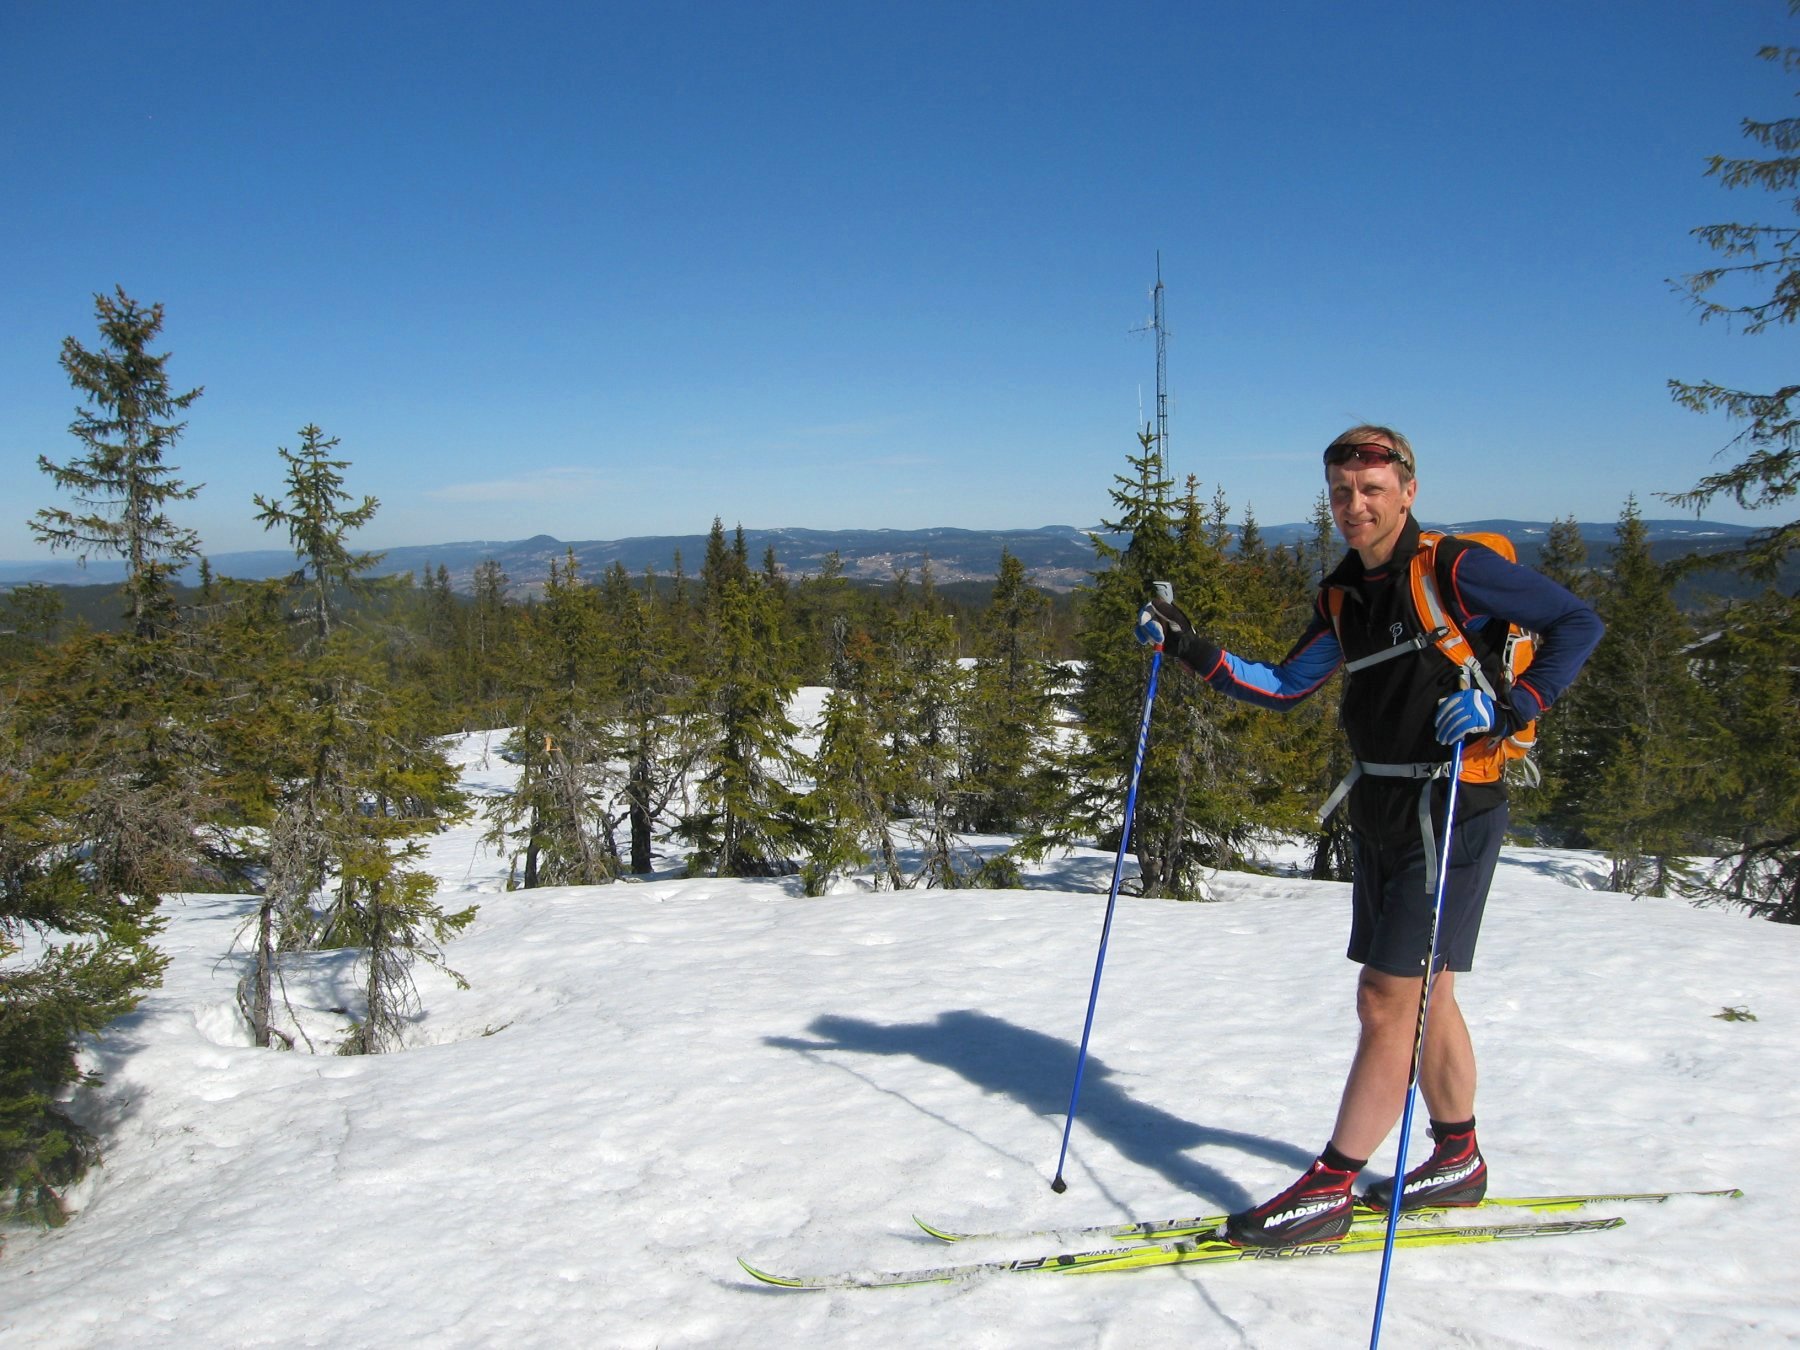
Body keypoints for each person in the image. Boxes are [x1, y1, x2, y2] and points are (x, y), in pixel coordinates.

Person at [1135, 425, 1603, 1248]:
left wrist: (1516, 703)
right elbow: (1282, 686)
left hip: (1452, 806)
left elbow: (1578, 623)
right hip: (1384, 807)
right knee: (1429, 994)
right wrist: (1186, 645)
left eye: (1372, 490)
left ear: (1407, 491)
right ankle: (1457, 1160)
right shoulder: (1344, 595)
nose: (1355, 507)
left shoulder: (1454, 568)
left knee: (1387, 1000)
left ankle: (1330, 1186)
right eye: (1342, 493)